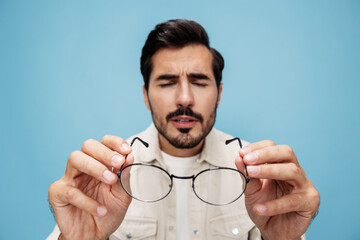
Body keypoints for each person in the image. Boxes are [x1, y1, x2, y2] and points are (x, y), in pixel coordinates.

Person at [47, 19, 320, 240]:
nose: (185, 98)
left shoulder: (261, 177)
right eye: (167, 82)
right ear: (145, 95)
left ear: (219, 93)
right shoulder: (105, 176)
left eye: (199, 81)